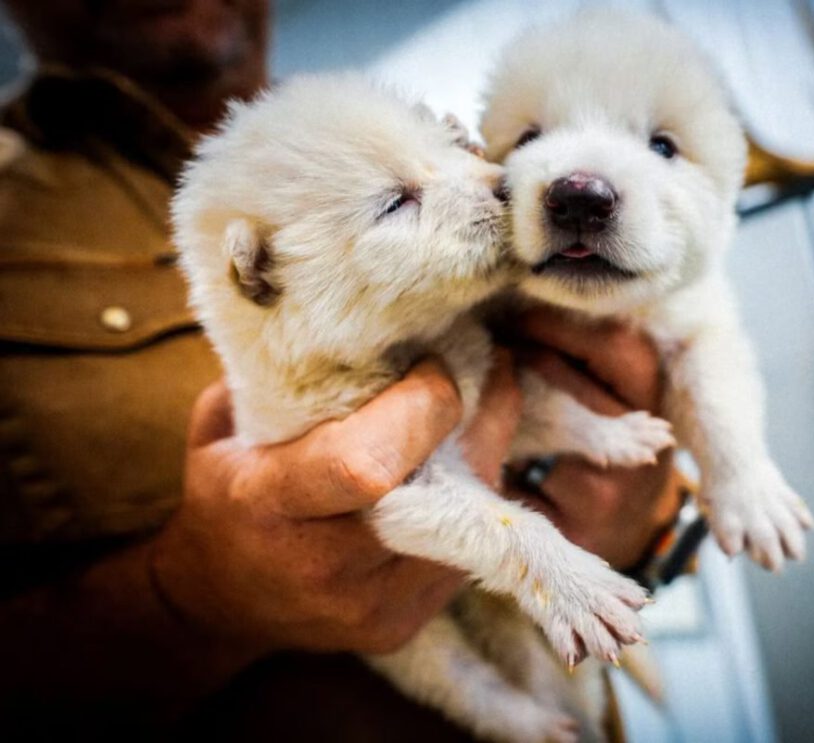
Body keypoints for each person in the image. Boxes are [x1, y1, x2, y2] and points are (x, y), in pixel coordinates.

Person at [0, 0, 687, 738]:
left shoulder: (405, 126)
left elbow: (660, 453)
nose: (488, 182)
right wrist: (191, 598)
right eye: (396, 202)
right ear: (259, 271)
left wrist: (648, 524)